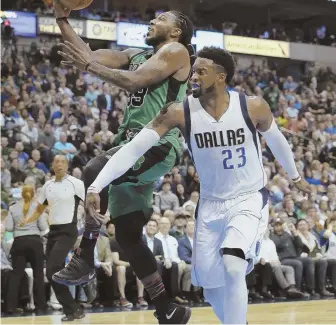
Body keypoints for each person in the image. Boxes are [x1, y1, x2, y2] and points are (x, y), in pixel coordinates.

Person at [84, 46, 311, 324]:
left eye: (201, 72)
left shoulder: (251, 106)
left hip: (248, 198)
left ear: (220, 77)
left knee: (232, 263)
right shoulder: (179, 112)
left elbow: (276, 140)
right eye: (193, 71)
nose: (194, 76)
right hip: (211, 204)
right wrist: (96, 186)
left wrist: (295, 176)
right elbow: (132, 149)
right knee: (212, 291)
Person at [51, 0, 193, 324]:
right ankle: (167, 309)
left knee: (94, 170)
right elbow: (88, 54)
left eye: (159, 19)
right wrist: (62, 17)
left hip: (157, 143)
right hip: (129, 145)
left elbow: (135, 82)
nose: (151, 21)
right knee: (129, 236)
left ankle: (84, 256)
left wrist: (90, 66)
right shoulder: (138, 53)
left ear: (175, 31)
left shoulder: (177, 51)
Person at [20, 155, 86, 321]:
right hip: (53, 232)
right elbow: (39, 209)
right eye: (56, 161)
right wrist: (27, 220)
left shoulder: (76, 183)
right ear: (52, 165)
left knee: (52, 269)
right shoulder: (47, 186)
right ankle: (73, 309)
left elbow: (89, 204)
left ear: (67, 165)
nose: (59, 164)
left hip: (68, 231)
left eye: (62, 161)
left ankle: (72, 308)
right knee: (53, 274)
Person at [4, 184, 48, 314]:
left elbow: (9, 228)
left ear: (21, 193)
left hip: (19, 243)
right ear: (33, 193)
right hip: (35, 242)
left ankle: (10, 307)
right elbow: (42, 226)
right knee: (38, 275)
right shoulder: (38, 207)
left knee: (16, 275)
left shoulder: (13, 208)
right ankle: (41, 306)